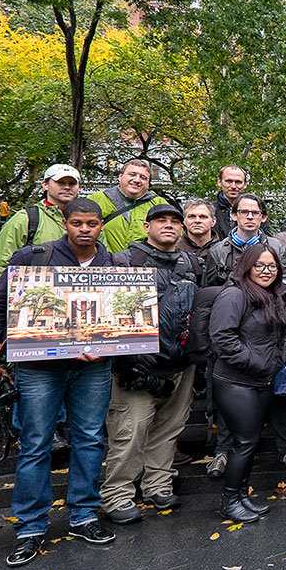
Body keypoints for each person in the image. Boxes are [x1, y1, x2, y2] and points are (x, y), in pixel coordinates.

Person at [0, 197, 119, 567]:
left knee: (89, 440)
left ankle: (84, 515)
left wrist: (109, 348)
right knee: (35, 443)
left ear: (101, 225)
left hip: (92, 368)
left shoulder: (114, 264)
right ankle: (30, 527)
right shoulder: (32, 258)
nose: (84, 229)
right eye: (77, 223)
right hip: (39, 367)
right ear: (65, 222)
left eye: (92, 223)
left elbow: (122, 320)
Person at [101, 203, 203, 525]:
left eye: (175, 220)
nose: (169, 225)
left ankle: (157, 484)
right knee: (130, 430)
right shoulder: (124, 261)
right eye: (161, 220)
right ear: (147, 227)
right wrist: (125, 360)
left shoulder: (192, 264)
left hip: (181, 364)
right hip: (136, 364)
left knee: (169, 428)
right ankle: (117, 494)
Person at [208, 246, 286, 523]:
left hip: (261, 379)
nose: (266, 271)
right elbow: (222, 337)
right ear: (246, 266)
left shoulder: (272, 296)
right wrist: (255, 362)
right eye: (259, 266)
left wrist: (279, 359)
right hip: (235, 380)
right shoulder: (233, 295)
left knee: (251, 441)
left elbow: (279, 337)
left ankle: (241, 496)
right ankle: (229, 500)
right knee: (244, 442)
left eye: (272, 266)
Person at [0, 163, 81, 278]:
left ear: (78, 188)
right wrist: (14, 294)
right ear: (45, 185)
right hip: (34, 293)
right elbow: (0, 265)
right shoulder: (25, 219)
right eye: (60, 182)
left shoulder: (90, 222)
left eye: (72, 183)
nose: (67, 187)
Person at [202, 194, 286, 288]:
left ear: (263, 217)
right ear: (234, 215)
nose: (250, 217)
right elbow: (210, 289)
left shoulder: (276, 247)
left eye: (255, 213)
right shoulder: (218, 251)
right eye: (244, 212)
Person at [91, 158, 169, 253]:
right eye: (132, 174)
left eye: (143, 178)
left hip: (147, 265)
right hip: (107, 263)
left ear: (148, 184)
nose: (137, 180)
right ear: (120, 177)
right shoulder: (97, 200)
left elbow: (175, 234)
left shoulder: (159, 204)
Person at [211, 164, 252, 240]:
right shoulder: (209, 210)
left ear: (245, 184)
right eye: (229, 181)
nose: (233, 186)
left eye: (238, 182)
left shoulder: (255, 210)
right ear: (219, 182)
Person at [177, 198, 218, 264]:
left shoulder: (224, 250)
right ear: (184, 221)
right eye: (192, 216)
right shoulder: (174, 249)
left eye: (203, 217)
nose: (197, 221)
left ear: (213, 221)